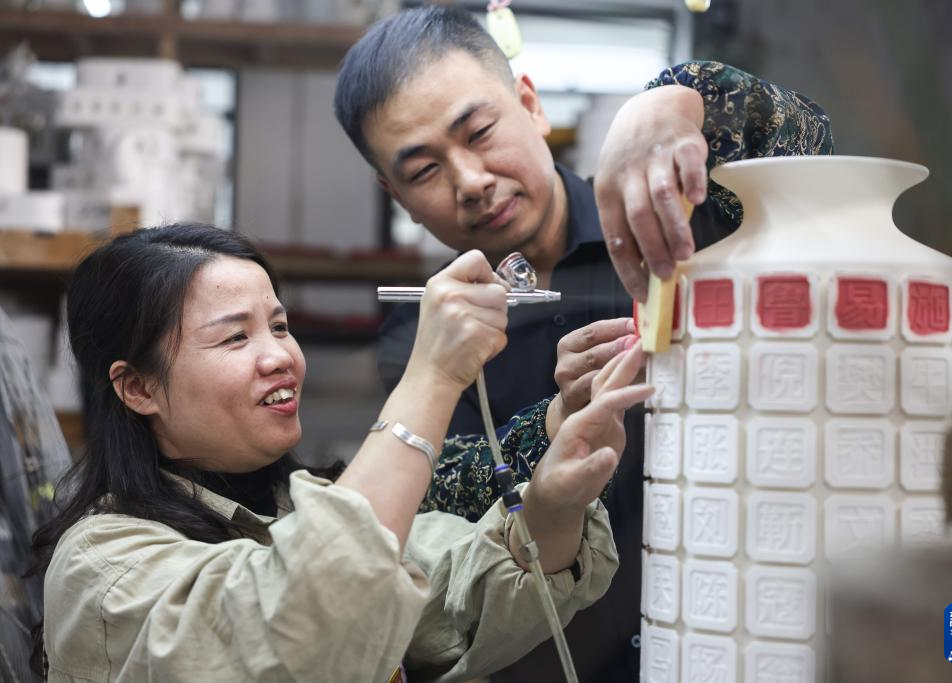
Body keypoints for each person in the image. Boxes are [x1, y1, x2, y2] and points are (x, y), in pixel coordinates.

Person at [332, 6, 834, 680]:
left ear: (530, 105)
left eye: (480, 133)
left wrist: (679, 97)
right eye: (424, 170)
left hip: (739, 640)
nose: (471, 180)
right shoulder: (420, 338)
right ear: (393, 193)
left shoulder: (680, 217)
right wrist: (551, 423)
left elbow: (810, 149)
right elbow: (433, 506)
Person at [30, 223, 654, 682]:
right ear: (138, 388)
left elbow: (461, 593)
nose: (279, 356)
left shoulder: (301, 504)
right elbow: (307, 623)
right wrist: (433, 375)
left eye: (279, 326)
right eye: (235, 337)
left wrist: (552, 503)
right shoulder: (104, 565)